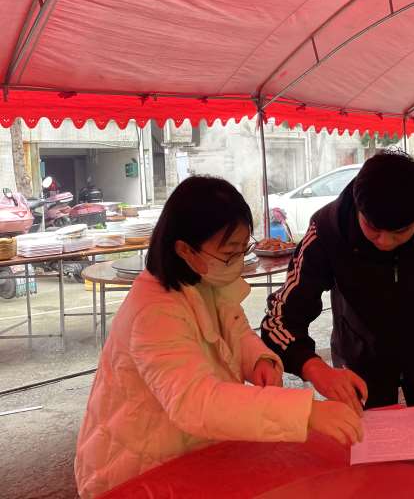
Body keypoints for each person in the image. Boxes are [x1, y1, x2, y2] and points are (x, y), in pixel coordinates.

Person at [74, 176, 361, 498]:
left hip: (189, 453)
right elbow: (196, 402)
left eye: (243, 249)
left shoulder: (204, 279)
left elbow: (235, 331)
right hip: (137, 471)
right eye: (229, 253)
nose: (238, 262)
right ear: (185, 249)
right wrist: (306, 413)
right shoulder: (154, 311)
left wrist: (259, 360)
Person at [262, 151, 414, 413]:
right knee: (364, 434)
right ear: (358, 207)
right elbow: (281, 319)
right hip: (359, 354)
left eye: (400, 232)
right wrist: (316, 369)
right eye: (372, 228)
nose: (385, 241)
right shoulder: (327, 227)